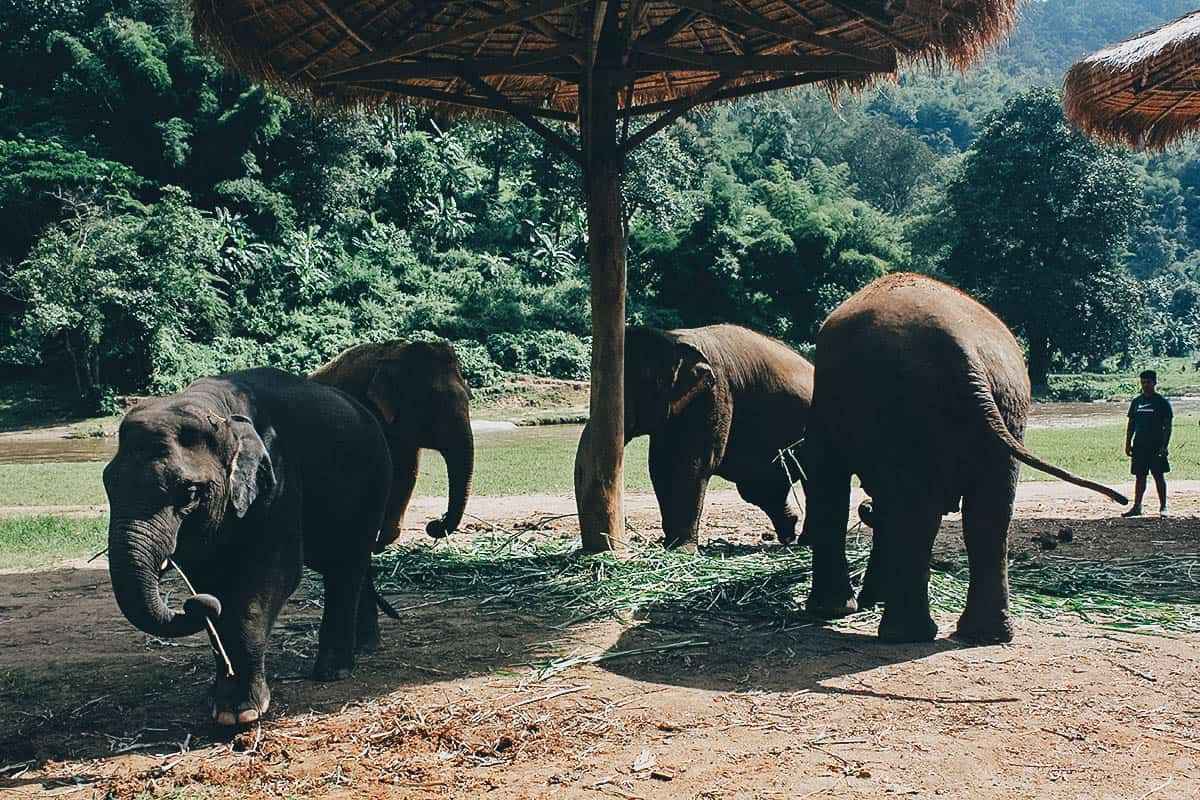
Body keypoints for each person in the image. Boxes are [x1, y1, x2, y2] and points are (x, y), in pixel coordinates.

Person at [1123, 370, 1173, 517]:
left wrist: (1164, 445)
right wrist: (1127, 443)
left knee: (1158, 476)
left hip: (1156, 445)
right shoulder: (1137, 402)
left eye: (1148, 382)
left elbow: (1168, 426)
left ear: (1154, 383)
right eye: (1143, 382)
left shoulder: (1162, 403)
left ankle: (1163, 507)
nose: (1145, 385)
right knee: (1140, 477)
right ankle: (1137, 506)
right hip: (1139, 445)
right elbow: (1131, 424)